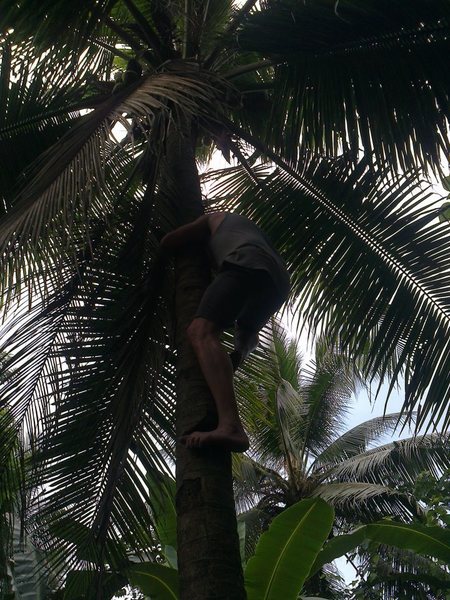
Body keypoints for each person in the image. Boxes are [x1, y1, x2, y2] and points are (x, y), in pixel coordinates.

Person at [160, 211, 290, 452]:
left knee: (201, 331)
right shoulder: (243, 228)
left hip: (245, 261)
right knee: (248, 328)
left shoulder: (210, 218)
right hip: (278, 282)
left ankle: (231, 426)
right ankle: (239, 353)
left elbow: (169, 241)